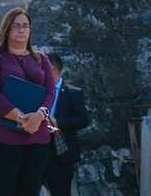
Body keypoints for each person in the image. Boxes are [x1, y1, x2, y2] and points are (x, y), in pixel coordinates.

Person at [0, 7, 55, 196]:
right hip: (1, 139)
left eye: (25, 26)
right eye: (16, 26)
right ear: (7, 29)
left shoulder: (42, 59)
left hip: (37, 139)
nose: (22, 30)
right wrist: (21, 118)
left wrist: (39, 116)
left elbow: (50, 93)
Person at [43, 53, 89, 196]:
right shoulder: (37, 91)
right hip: (36, 151)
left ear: (54, 69)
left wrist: (59, 123)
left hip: (61, 154)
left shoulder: (73, 93)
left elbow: (83, 119)